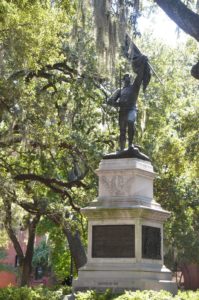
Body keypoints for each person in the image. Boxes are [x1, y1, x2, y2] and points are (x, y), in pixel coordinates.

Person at [107, 55, 149, 151]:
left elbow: (140, 76)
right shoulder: (120, 90)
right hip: (122, 111)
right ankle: (122, 149)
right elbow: (110, 101)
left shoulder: (134, 87)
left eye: (129, 77)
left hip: (131, 109)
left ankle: (130, 145)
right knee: (122, 131)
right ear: (123, 80)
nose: (128, 78)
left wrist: (143, 63)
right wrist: (117, 104)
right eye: (126, 77)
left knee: (131, 122)